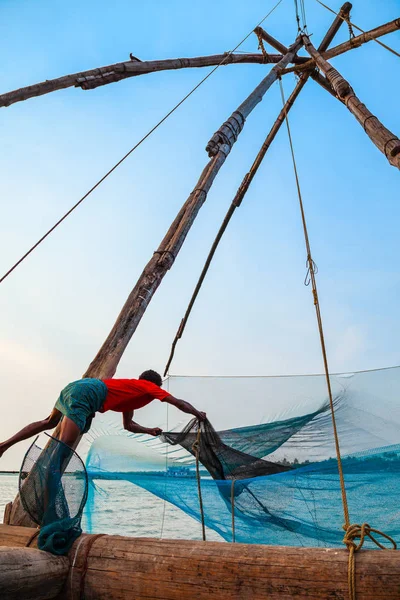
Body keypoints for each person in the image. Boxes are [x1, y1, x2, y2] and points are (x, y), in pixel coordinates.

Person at [0, 369, 206, 458]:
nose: (155, 396)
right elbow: (177, 402)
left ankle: (4, 446)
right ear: (153, 385)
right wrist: (198, 414)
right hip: (89, 394)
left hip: (76, 387)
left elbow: (129, 426)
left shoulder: (130, 394)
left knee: (49, 422)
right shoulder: (147, 386)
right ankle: (47, 480)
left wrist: (149, 430)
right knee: (65, 445)